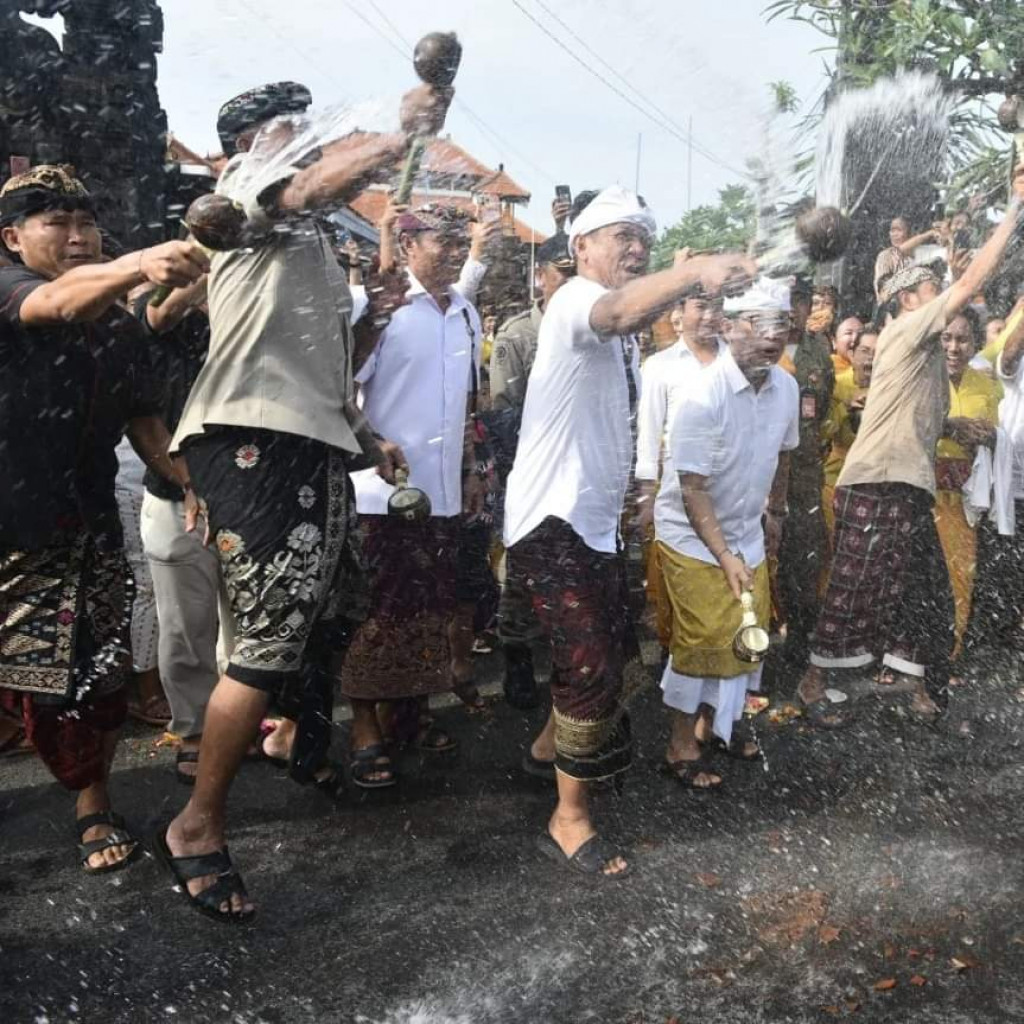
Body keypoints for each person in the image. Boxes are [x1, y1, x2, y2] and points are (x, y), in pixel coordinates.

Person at [160, 80, 448, 922]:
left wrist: (364, 433)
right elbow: (309, 184)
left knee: (338, 608)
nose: (309, 144)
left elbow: (313, 363)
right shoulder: (247, 187)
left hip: (313, 441)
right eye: (294, 131)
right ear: (249, 143)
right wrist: (399, 134)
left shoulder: (316, 242)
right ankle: (197, 826)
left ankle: (295, 735)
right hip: (248, 440)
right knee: (268, 637)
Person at [504, 184, 756, 877]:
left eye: (642, 239)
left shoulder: (614, 336)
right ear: (581, 247)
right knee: (589, 665)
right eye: (621, 236)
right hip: (554, 522)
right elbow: (617, 311)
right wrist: (697, 270)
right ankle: (568, 819)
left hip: (590, 523)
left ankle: (547, 753)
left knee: (610, 650)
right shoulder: (576, 302)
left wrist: (630, 492)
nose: (635, 247)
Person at [0, 165, 206, 874]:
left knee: (94, 678)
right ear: (13, 238)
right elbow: (57, 303)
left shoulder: (115, 324)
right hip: (6, 528)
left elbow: (142, 414)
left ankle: (93, 806)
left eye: (85, 222)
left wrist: (183, 479)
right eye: (57, 223)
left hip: (82, 528)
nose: (77, 235)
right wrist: (137, 262)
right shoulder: (11, 288)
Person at [798, 192, 1023, 726]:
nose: (940, 294)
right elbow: (968, 287)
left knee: (927, 590)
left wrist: (950, 425)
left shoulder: (916, 351)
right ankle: (812, 683)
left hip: (906, 482)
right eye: (931, 288)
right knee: (854, 588)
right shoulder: (906, 328)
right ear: (907, 301)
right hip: (877, 480)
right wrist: (1014, 207)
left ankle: (923, 684)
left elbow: (898, 409)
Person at [341, 204, 488, 786]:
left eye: (460, 242)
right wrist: (370, 442)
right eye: (441, 241)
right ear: (406, 247)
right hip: (382, 494)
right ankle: (364, 726)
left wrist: (474, 468)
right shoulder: (381, 311)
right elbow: (340, 386)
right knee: (376, 614)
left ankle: (413, 714)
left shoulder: (468, 314)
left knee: (429, 614)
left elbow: (469, 406)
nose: (454, 251)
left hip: (445, 496)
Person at [659, 278, 798, 786]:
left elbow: (784, 455)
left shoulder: (787, 385)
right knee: (701, 636)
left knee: (747, 633)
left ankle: (719, 722)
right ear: (727, 327)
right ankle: (678, 744)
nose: (771, 335)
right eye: (757, 324)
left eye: (779, 324)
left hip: (748, 531)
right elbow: (692, 487)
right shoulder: (701, 393)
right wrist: (723, 555)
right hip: (691, 535)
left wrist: (776, 514)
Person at [135, 275, 234, 784]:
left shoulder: (251, 324)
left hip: (247, 494)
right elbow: (160, 312)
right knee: (185, 627)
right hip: (177, 497)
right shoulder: (160, 325)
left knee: (246, 624)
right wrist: (188, 481)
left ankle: (242, 719)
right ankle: (194, 731)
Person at [489, 232, 575, 712]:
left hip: (578, 476)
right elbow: (503, 414)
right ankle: (517, 659)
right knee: (521, 573)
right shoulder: (519, 335)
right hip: (531, 472)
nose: (569, 286)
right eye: (561, 275)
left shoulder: (598, 330)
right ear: (540, 276)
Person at [635, 289, 725, 660]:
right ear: (681, 310)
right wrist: (646, 499)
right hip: (675, 501)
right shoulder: (659, 367)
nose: (708, 315)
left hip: (730, 498)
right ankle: (680, 673)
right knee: (674, 595)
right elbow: (648, 436)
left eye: (716, 306)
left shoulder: (736, 362)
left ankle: (719, 674)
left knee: (725, 590)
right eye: (700, 306)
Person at [772, 275, 835, 686]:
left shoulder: (819, 352)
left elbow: (822, 404)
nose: (797, 309)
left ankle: (797, 639)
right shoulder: (764, 347)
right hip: (763, 474)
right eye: (791, 300)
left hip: (805, 472)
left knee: (803, 557)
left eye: (803, 301)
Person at [932, 307, 1000, 680]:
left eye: (962, 339)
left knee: (960, 579)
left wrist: (987, 437)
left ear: (974, 343)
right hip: (924, 498)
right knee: (918, 578)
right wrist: (948, 428)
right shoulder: (922, 379)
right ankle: (907, 657)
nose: (954, 347)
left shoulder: (986, 385)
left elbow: (996, 437)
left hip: (964, 505)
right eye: (946, 338)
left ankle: (949, 655)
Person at [822, 324, 878, 544]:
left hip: (874, 482)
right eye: (865, 351)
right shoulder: (835, 384)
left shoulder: (892, 388)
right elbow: (823, 429)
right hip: (836, 478)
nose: (871, 360)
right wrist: (845, 407)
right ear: (852, 354)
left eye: (879, 353)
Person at [873, 216, 940, 303]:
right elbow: (883, 290)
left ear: (910, 233)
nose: (894, 234)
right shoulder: (886, 255)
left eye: (899, 230)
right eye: (892, 230)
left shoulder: (921, 255)